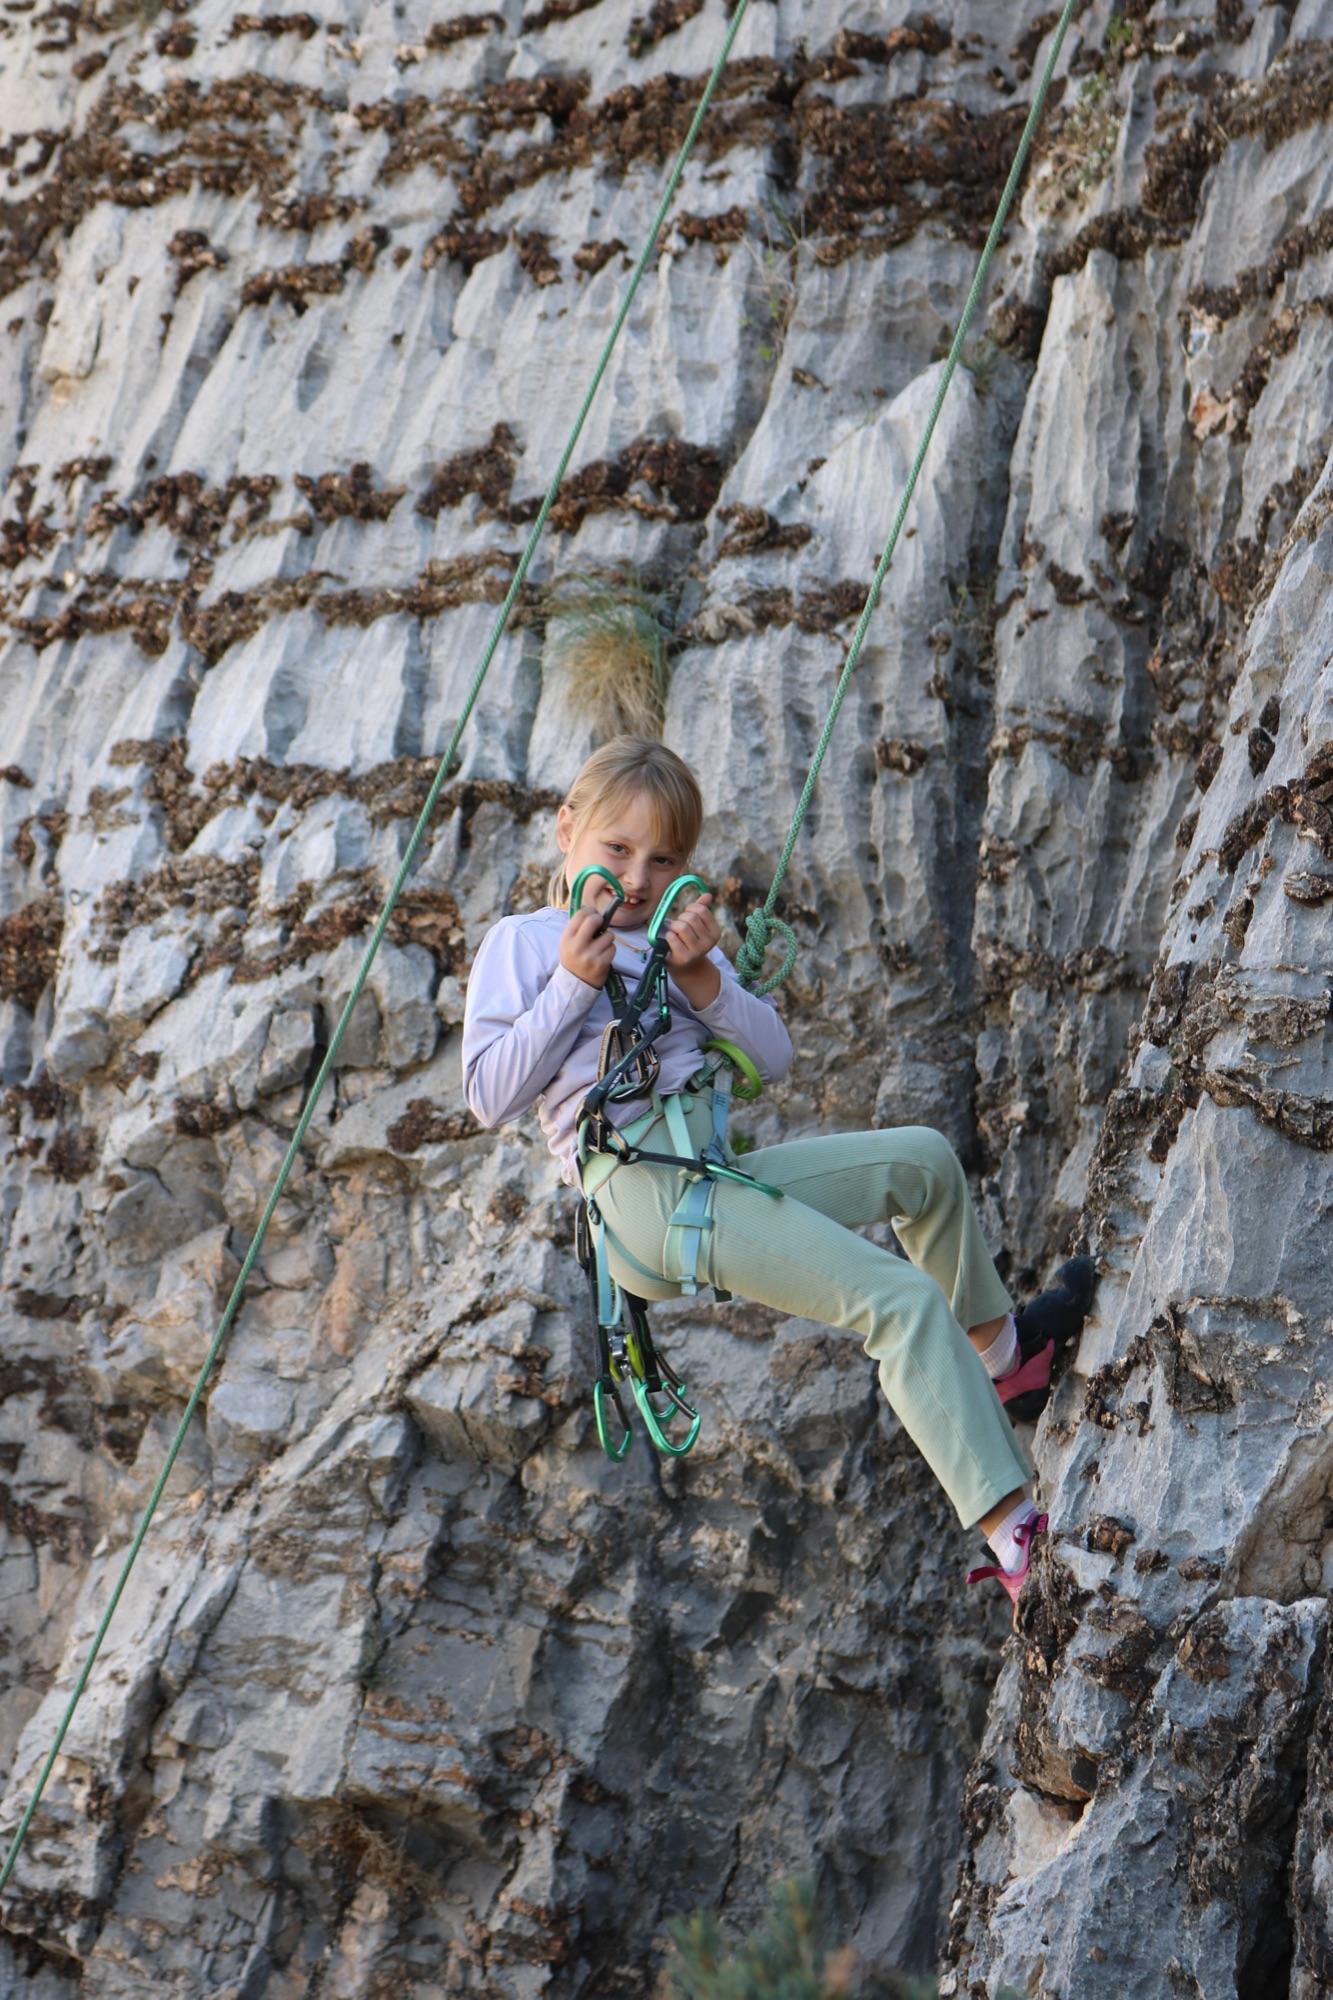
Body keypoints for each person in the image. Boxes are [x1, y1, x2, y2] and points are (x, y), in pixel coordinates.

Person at [461, 737, 1093, 1614]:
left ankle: (1006, 1364)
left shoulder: (679, 948)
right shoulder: (526, 944)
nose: (636, 879)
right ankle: (1016, 1538)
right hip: (647, 1201)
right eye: (614, 849)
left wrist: (702, 981)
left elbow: (774, 1054)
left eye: (662, 859)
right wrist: (570, 985)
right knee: (898, 1305)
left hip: (709, 1174)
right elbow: (488, 1095)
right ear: (566, 832)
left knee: (920, 1163)